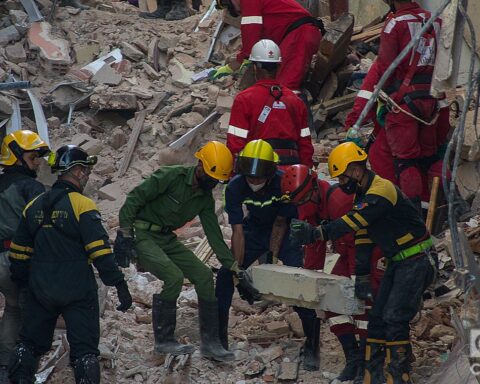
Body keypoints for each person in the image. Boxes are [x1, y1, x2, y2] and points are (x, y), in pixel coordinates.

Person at [289, 142, 437, 383]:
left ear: (356, 170)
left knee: (394, 316)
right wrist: (362, 275)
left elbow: (353, 222)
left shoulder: (380, 190)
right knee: (377, 317)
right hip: (399, 261)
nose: (342, 182)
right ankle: (372, 375)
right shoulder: (363, 193)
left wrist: (317, 233)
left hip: (417, 258)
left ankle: (400, 376)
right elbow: (364, 235)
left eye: (343, 176)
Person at [115, 141, 257, 362]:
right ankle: (164, 340)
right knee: (173, 277)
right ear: (200, 165)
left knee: (203, 276)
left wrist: (235, 268)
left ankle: (210, 343)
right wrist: (125, 234)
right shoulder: (171, 176)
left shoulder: (204, 199)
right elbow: (135, 199)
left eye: (217, 181)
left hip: (166, 237)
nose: (212, 184)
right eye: (210, 177)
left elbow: (214, 236)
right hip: (143, 233)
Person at [8, 145, 132, 384]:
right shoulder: (83, 205)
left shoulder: (33, 206)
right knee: (85, 352)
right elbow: (100, 251)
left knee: (29, 345)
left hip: (41, 287)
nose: (87, 176)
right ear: (76, 171)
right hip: (77, 288)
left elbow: (19, 254)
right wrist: (119, 283)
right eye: (85, 170)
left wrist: (27, 284)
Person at [216, 139, 320, 370]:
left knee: (299, 279)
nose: (254, 182)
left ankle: (313, 342)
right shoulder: (234, 187)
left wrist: (271, 265)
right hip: (253, 229)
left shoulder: (284, 181)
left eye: (259, 177)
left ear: (270, 171)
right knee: (224, 276)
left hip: (283, 230)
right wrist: (238, 271)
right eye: (249, 177)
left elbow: (281, 223)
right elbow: (237, 231)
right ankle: (219, 337)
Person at [281, 164, 385, 383]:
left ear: (314, 190)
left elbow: (362, 240)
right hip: (346, 252)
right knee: (330, 298)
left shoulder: (340, 201)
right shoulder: (309, 202)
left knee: (363, 304)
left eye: (302, 201)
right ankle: (353, 358)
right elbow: (314, 243)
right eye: (297, 203)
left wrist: (359, 278)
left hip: (370, 251)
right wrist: (310, 277)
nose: (301, 207)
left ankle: (370, 364)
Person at [346, 0, 441, 210]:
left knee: (404, 161)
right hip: (430, 101)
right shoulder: (435, 20)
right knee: (429, 157)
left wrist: (358, 120)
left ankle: (413, 212)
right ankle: (442, 207)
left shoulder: (395, 24)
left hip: (404, 105)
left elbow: (384, 71)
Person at [0, 130, 50, 384]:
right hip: (19, 258)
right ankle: (19, 371)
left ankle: (3, 368)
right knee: (25, 313)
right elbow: (43, 226)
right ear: (17, 157)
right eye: (33, 156)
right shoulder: (32, 187)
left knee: (12, 310)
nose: (38, 161)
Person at [226, 39, 313, 169]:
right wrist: (305, 173)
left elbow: (235, 143)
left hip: (258, 169)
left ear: (255, 67)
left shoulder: (244, 99)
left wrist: (235, 173)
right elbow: (305, 144)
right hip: (291, 169)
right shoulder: (295, 100)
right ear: (278, 66)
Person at [210, 0, 323, 92]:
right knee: (281, 86)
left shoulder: (249, 2)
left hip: (299, 36)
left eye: (228, 5)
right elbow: (257, 38)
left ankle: (285, 117)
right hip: (297, 36)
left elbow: (251, 32)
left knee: (286, 88)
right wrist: (235, 64)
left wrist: (240, 60)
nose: (236, 11)